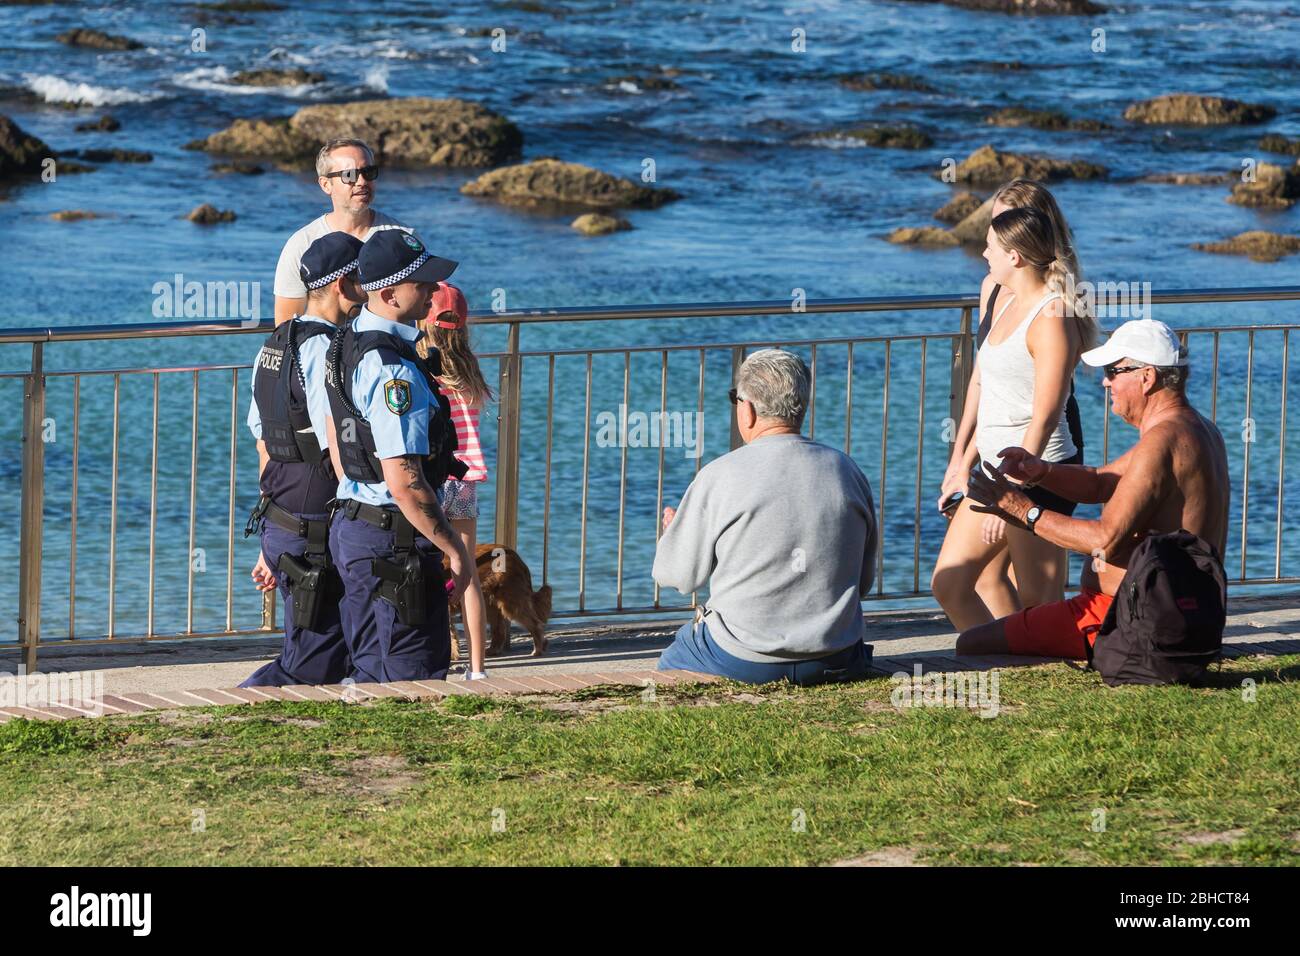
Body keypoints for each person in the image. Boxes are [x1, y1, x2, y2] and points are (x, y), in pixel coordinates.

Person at [957, 319, 1230, 658]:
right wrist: (1040, 470)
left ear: (1146, 378)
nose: (1105, 382)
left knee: (969, 645)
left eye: (1114, 372)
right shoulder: (1196, 428)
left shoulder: (1161, 442)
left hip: (1124, 617)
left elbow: (1104, 540)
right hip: (1180, 611)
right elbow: (1102, 481)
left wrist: (1021, 510)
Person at [654, 349, 878, 686]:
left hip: (740, 656)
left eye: (736, 400)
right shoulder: (847, 470)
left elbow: (678, 577)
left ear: (747, 410)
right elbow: (862, 583)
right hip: (837, 655)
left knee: (672, 661)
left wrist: (674, 536)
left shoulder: (719, 475)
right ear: (801, 407)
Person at [931, 203, 1098, 632]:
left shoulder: (1051, 317)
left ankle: (1044, 670)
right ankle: (1000, 660)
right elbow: (984, 386)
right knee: (950, 582)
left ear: (1015, 257)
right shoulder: (1004, 302)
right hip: (991, 471)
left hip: (1037, 474)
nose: (983, 254)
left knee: (1037, 598)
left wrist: (1010, 489)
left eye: (990, 248)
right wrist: (963, 462)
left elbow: (1045, 416)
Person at [324, 229, 474, 683]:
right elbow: (405, 481)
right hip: (394, 543)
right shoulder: (394, 369)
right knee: (412, 678)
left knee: (370, 670)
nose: (432, 290)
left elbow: (336, 432)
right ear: (389, 293)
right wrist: (456, 551)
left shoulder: (344, 342)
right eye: (422, 282)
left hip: (355, 527)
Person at [242, 233, 367, 687]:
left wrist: (268, 536)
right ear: (341, 284)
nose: (371, 285)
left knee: (312, 646)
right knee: (316, 657)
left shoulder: (275, 343)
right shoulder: (328, 349)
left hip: (283, 515)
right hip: (316, 522)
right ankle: (236, 708)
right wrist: (364, 510)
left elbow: (264, 441)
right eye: (363, 276)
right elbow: (336, 440)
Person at [416, 283, 495, 675]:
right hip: (466, 479)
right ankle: (477, 667)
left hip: (432, 476)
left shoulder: (423, 369)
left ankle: (428, 654)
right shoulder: (471, 372)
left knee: (423, 566)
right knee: (466, 573)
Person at [273, 138, 409, 326]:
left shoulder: (402, 237)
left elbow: (427, 304)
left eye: (368, 172)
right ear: (325, 184)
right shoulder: (302, 244)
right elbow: (285, 326)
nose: (362, 181)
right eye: (349, 175)